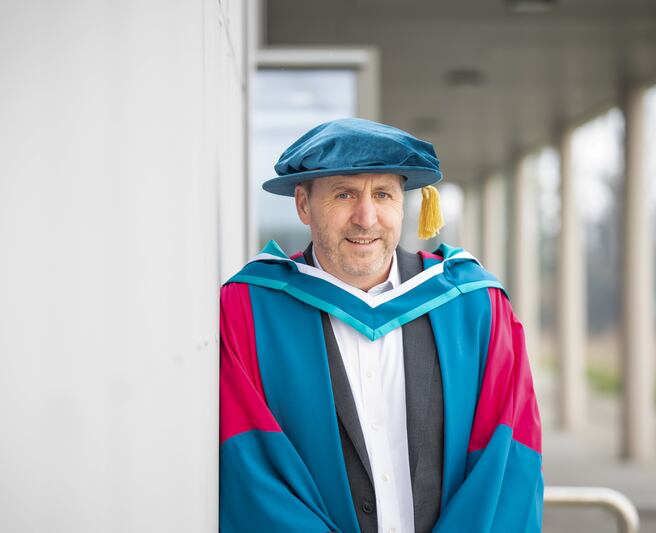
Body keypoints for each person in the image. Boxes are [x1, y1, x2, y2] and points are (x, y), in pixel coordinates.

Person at [219, 118, 543, 533]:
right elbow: (248, 468)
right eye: (344, 194)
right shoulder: (249, 310)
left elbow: (509, 463)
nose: (366, 217)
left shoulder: (475, 306)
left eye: (383, 194)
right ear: (303, 204)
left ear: (404, 204)